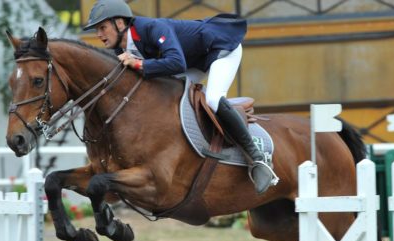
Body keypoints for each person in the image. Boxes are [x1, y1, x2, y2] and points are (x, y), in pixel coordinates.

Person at [83, 0, 279, 194]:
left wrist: (139, 65)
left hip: (220, 49)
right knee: (164, 96)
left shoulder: (152, 28)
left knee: (213, 99)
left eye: (102, 27)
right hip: (193, 61)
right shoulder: (121, 49)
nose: (99, 35)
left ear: (119, 23)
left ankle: (258, 159)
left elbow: (176, 63)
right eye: (96, 30)